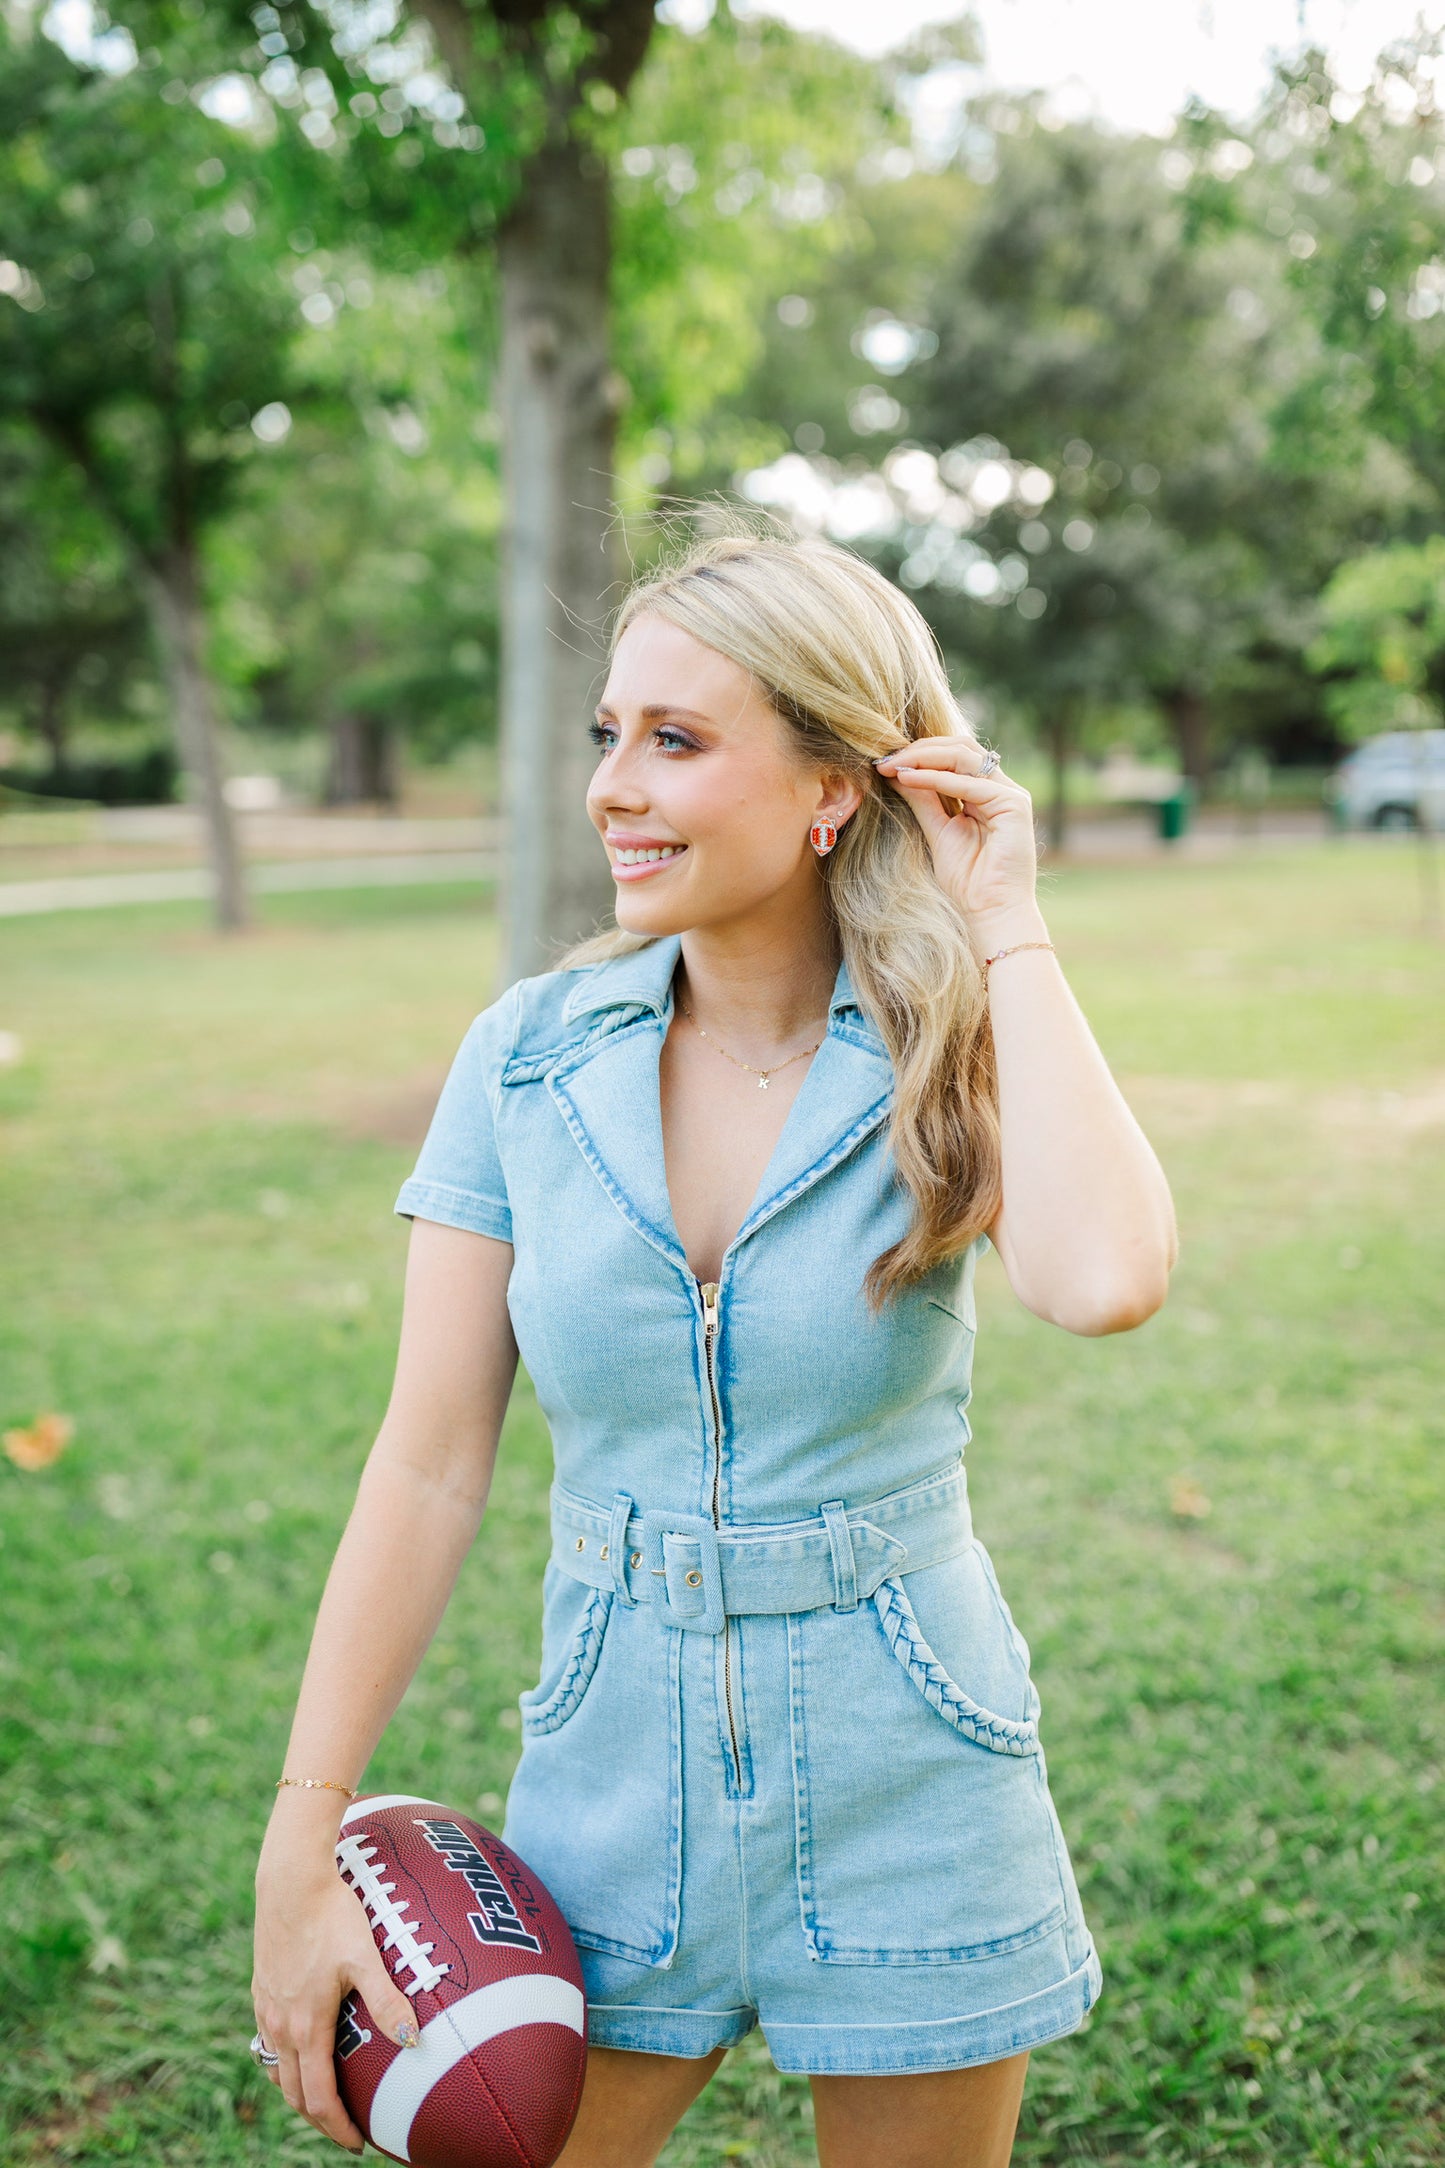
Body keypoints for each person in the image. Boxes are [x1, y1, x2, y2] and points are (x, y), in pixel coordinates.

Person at [251, 525, 1178, 2168]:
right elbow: (429, 1459)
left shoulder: (954, 1043)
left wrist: (1006, 922)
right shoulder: (526, 1059)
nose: (612, 785)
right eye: (609, 732)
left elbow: (1102, 1279)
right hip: (606, 1776)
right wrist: (299, 1838)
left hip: (912, 1770)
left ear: (831, 787)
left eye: (675, 740)